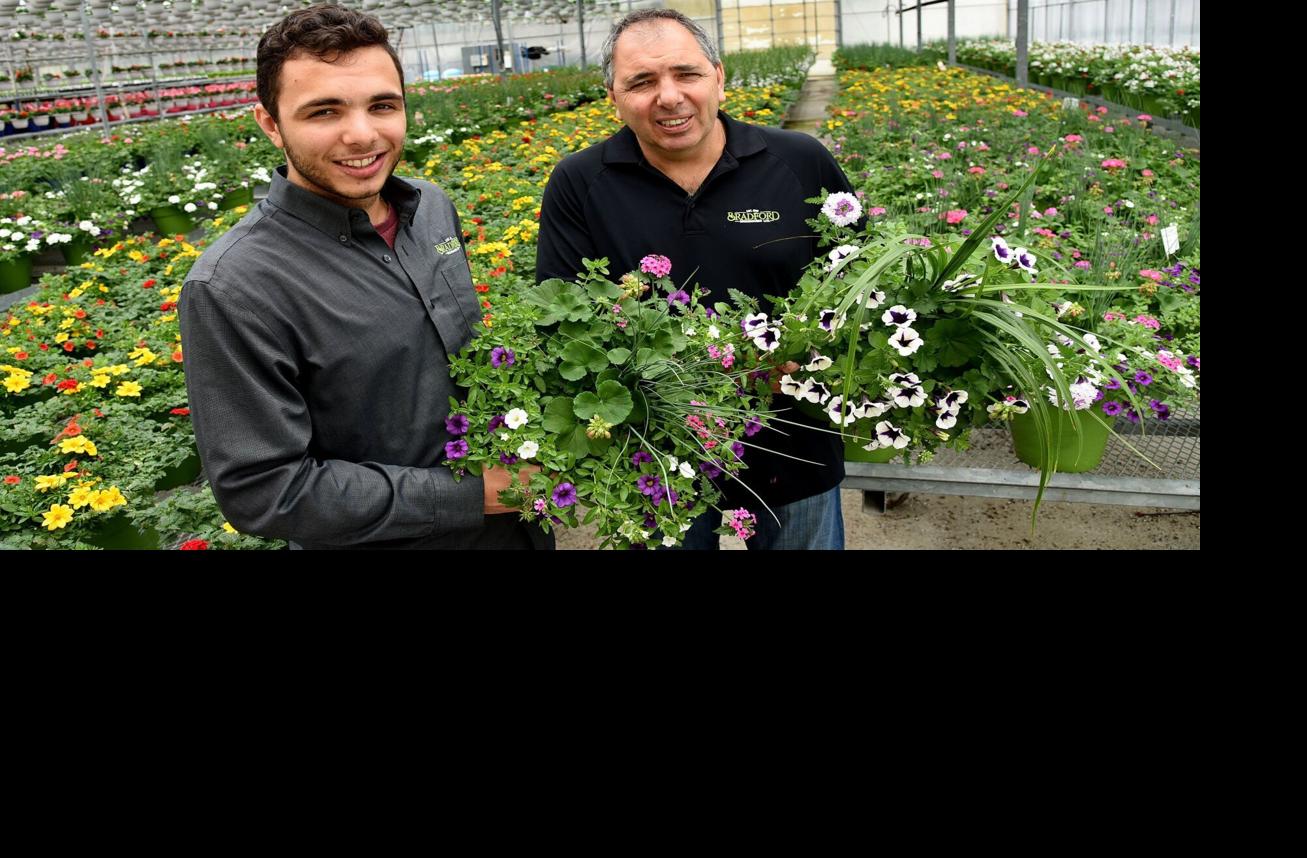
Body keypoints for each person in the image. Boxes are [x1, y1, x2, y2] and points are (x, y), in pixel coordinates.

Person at [179, 4, 549, 549]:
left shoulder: (432, 209)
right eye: (324, 112)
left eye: (382, 105)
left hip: (514, 533)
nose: (362, 134)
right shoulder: (234, 286)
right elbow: (265, 490)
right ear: (271, 125)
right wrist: (474, 494)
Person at [535, 7, 852, 550]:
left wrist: (818, 356)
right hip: (655, 451)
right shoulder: (579, 183)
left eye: (687, 74)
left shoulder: (799, 162)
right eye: (641, 81)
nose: (669, 96)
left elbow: (857, 280)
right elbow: (563, 319)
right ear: (613, 95)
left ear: (719, 78)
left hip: (793, 435)